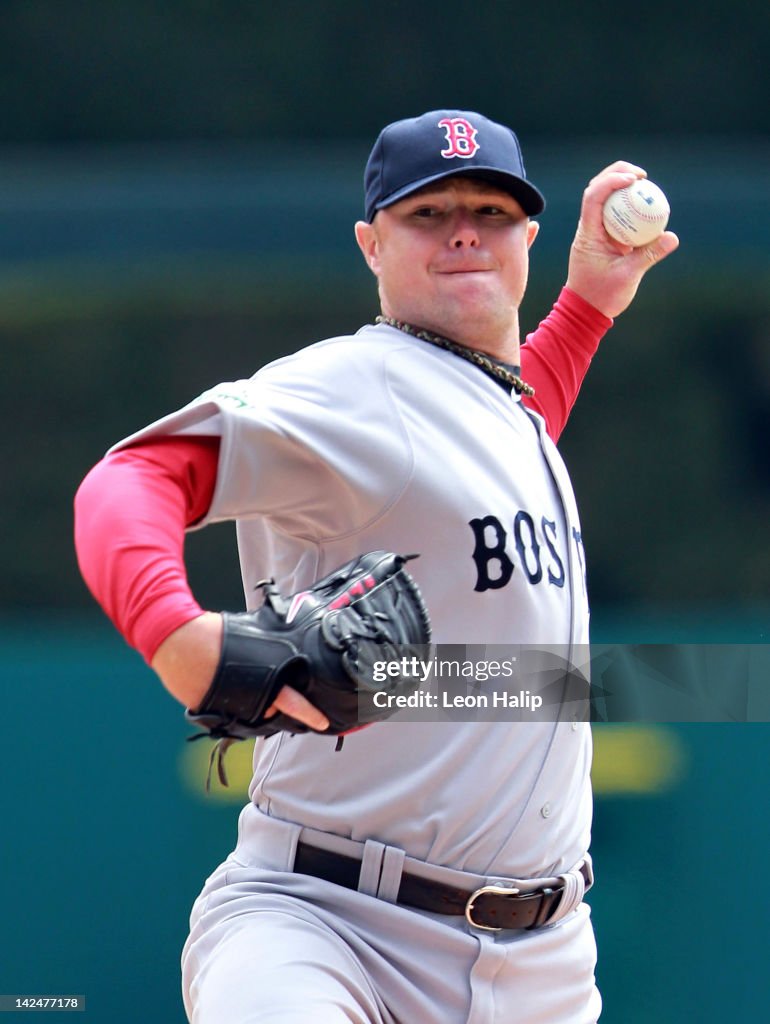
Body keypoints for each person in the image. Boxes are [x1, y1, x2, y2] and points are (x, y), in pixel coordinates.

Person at [74, 109, 678, 1023]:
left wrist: (586, 306)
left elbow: (494, 440)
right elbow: (132, 478)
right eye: (427, 213)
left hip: (544, 965)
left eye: (491, 210)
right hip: (329, 927)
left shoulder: (498, 409)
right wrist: (171, 629)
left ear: (528, 237)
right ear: (371, 244)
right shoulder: (349, 387)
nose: (465, 229)